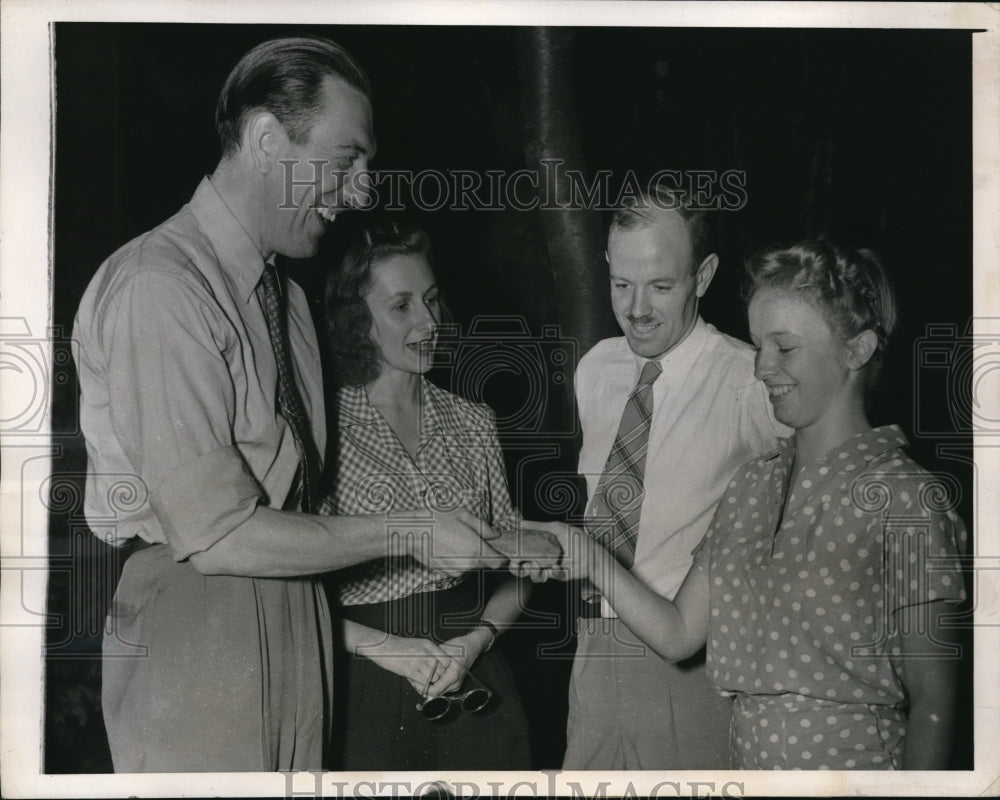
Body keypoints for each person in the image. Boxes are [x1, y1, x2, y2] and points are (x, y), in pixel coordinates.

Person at [72, 37, 527, 773]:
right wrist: (411, 528)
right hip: (202, 620)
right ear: (263, 139)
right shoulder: (161, 286)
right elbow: (217, 535)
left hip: (300, 619)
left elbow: (300, 506)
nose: (360, 193)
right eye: (345, 162)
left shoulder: (284, 300)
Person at [553, 240, 968, 769]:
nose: (763, 368)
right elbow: (679, 635)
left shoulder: (906, 498)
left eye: (785, 348)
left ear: (856, 351)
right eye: (757, 347)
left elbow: (936, 701)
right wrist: (582, 551)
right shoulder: (751, 486)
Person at [561, 187, 790, 770]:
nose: (637, 308)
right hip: (592, 645)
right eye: (621, 284)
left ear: (703, 276)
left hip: (691, 660)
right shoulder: (597, 370)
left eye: (662, 286)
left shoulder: (749, 379)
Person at [319, 221, 534, 770]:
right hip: (364, 683)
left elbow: (518, 570)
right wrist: (387, 649)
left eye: (432, 300)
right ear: (357, 321)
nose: (429, 322)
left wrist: (478, 640)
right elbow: (294, 592)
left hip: (474, 675)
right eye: (402, 306)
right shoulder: (321, 432)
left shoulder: (473, 422)